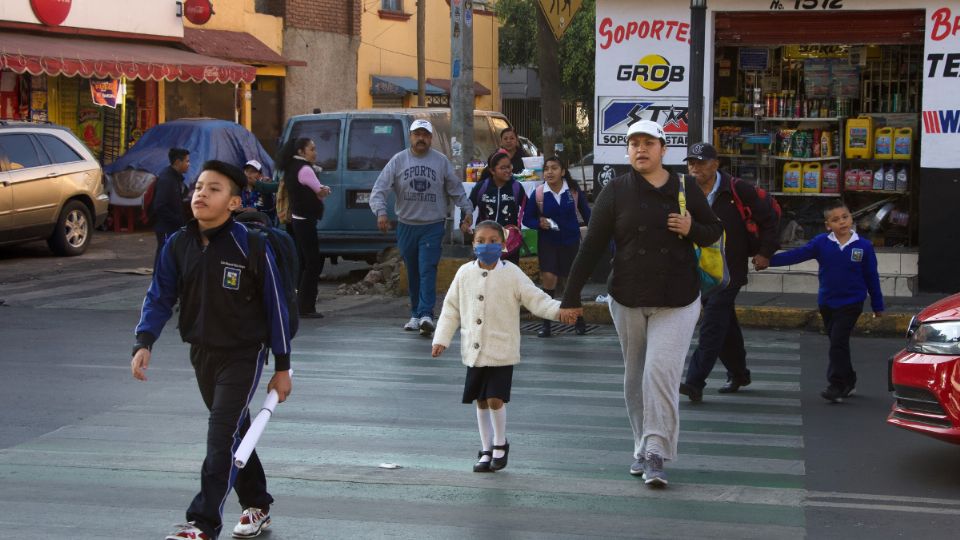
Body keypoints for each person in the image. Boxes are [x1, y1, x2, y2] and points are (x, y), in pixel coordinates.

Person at [130, 160, 293, 540]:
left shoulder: (250, 244)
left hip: (243, 353)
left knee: (220, 436)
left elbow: (276, 308)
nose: (201, 193)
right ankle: (258, 504)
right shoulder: (178, 243)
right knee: (234, 430)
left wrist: (282, 367)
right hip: (202, 353)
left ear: (234, 202)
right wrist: (144, 341)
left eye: (214, 189)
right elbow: (159, 296)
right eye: (199, 186)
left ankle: (202, 523)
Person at [557, 120, 723, 487]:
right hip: (628, 297)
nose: (641, 149)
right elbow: (592, 247)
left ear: (664, 150)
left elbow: (714, 230)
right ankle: (641, 445)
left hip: (677, 299)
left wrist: (690, 228)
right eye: (634, 143)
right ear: (627, 150)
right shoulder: (615, 191)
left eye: (649, 142)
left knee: (659, 373)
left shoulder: (685, 187)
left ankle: (656, 453)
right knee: (635, 377)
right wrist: (571, 297)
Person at [431, 220, 562, 472]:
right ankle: (485, 448)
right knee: (480, 401)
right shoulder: (464, 273)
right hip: (474, 350)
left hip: (502, 350)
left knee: (494, 398)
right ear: (473, 244)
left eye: (493, 241)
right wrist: (441, 339)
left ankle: (501, 443)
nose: (486, 246)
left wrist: (560, 311)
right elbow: (451, 309)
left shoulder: (511, 273)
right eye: (481, 241)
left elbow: (536, 299)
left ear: (503, 245)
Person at [678, 142, 779, 402]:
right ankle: (739, 373)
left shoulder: (737, 189)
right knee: (725, 324)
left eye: (701, 162)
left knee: (712, 322)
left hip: (730, 269)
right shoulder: (684, 190)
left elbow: (769, 220)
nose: (695, 167)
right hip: (700, 270)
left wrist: (766, 252)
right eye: (691, 163)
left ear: (716, 163)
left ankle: (694, 381)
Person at [764, 200, 884, 403]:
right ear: (828, 225)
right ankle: (849, 379)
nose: (842, 222)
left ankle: (836, 385)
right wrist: (768, 260)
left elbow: (871, 276)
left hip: (852, 303)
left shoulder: (863, 246)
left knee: (837, 342)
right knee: (838, 343)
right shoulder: (821, 242)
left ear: (851, 218)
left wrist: (878, 305)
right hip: (827, 302)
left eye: (845, 217)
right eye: (836, 220)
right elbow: (797, 255)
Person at [370, 119, 474, 337]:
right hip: (407, 225)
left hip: (432, 225)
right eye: (417, 134)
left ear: (430, 138)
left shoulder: (441, 161)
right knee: (413, 270)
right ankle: (415, 315)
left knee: (427, 268)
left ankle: (427, 314)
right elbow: (379, 189)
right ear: (410, 137)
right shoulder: (398, 161)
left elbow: (456, 190)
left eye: (425, 135)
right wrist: (380, 212)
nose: (421, 139)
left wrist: (467, 210)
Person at [522, 156, 592, 337]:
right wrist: (539, 222)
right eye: (546, 169)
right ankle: (546, 324)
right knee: (549, 280)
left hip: (571, 243)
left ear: (563, 172)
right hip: (548, 243)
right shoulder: (538, 193)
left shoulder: (574, 192)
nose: (549, 172)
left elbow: (589, 215)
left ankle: (578, 320)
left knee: (571, 283)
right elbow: (526, 219)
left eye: (554, 168)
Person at [278, 138, 331, 319]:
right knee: (312, 263)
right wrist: (325, 190)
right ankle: (306, 306)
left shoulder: (291, 168)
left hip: (295, 220)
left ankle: (297, 303)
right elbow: (319, 191)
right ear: (301, 152)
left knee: (301, 262)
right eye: (312, 149)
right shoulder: (305, 169)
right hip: (305, 221)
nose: (315, 153)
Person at [468, 149, 528, 264]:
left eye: (509, 166)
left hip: (509, 242)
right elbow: (469, 205)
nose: (508, 171)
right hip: (485, 241)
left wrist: (538, 220)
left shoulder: (517, 188)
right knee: (484, 274)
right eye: (502, 168)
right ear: (492, 170)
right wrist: (464, 220)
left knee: (508, 276)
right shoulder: (482, 187)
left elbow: (529, 208)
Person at [152, 148, 190, 265]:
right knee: (164, 255)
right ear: (178, 162)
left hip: (172, 226)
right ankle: (158, 280)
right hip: (165, 227)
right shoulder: (167, 179)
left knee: (170, 256)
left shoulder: (175, 178)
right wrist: (177, 220)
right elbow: (160, 205)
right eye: (187, 161)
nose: (189, 164)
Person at [239, 159, 278, 225]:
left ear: (260, 175)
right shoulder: (239, 189)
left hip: (262, 226)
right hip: (243, 223)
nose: (249, 173)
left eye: (253, 171)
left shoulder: (265, 188)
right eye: (246, 171)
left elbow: (270, 209)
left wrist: (257, 211)